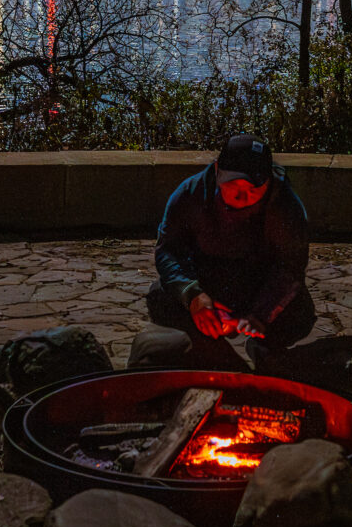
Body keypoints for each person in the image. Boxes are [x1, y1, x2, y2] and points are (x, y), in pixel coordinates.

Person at [132, 133, 315, 372]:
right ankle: (215, 354)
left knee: (299, 311)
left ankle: (265, 350)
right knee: (162, 297)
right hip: (210, 282)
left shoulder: (286, 206)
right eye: (234, 186)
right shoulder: (191, 193)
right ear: (218, 171)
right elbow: (169, 251)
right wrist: (193, 295)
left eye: (253, 189)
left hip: (257, 284)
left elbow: (290, 269)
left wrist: (258, 315)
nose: (242, 196)